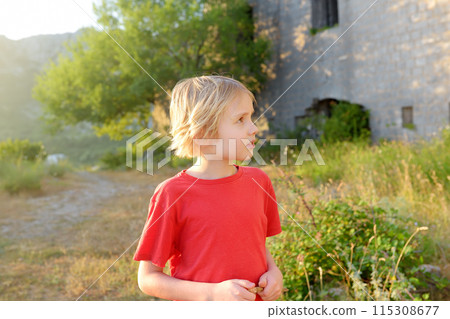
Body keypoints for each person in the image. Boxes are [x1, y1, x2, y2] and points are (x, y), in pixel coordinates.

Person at [133, 75, 283, 301]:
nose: (254, 128)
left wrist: (274, 272)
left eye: (251, 117)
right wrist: (212, 294)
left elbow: (257, 246)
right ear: (204, 131)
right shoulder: (172, 193)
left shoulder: (259, 181)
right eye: (241, 119)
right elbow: (148, 279)